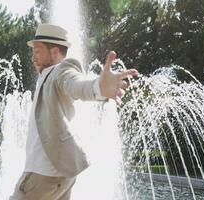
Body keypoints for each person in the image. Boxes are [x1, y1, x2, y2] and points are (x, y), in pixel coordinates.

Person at [9, 24, 138, 200]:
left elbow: (76, 84)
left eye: (38, 51)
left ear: (54, 52)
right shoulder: (46, 76)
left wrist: (98, 86)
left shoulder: (60, 71)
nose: (33, 57)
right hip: (63, 174)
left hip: (41, 174)